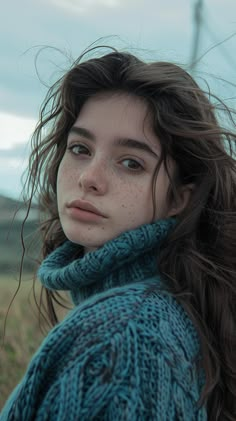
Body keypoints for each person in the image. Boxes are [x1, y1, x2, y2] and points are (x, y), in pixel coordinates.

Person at [1, 47, 236, 421]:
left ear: (179, 198)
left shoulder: (121, 339)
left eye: (131, 162)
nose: (89, 178)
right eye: (79, 148)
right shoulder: (165, 310)